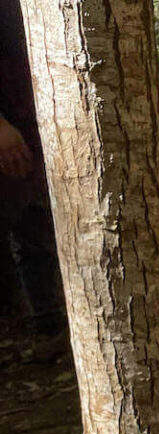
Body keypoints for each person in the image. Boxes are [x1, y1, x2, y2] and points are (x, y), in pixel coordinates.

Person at [0, 0, 67, 344]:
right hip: (10, 129)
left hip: (37, 120)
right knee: (23, 221)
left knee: (38, 222)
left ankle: (46, 322)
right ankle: (37, 325)